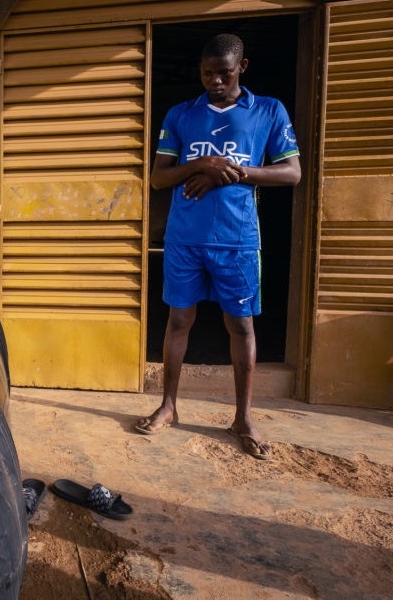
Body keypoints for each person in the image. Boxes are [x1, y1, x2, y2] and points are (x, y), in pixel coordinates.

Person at [134, 34, 301, 460]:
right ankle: (168, 406)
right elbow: (158, 177)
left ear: (242, 67)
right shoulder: (181, 114)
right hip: (184, 238)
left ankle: (243, 417)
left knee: (241, 327)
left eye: (223, 73)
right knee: (178, 323)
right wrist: (203, 164)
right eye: (207, 73)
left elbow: (291, 173)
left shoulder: (267, 110)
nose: (214, 81)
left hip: (237, 239)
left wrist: (234, 173)